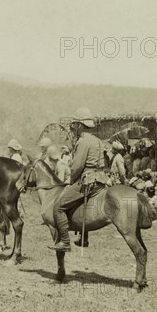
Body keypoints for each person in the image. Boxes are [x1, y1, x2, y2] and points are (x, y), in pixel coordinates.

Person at [52, 107, 106, 251]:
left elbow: (77, 167)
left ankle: (64, 241)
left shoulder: (83, 141)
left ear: (80, 125)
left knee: (58, 206)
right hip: (100, 180)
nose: (74, 128)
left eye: (75, 125)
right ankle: (84, 237)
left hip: (88, 180)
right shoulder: (97, 141)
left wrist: (70, 181)